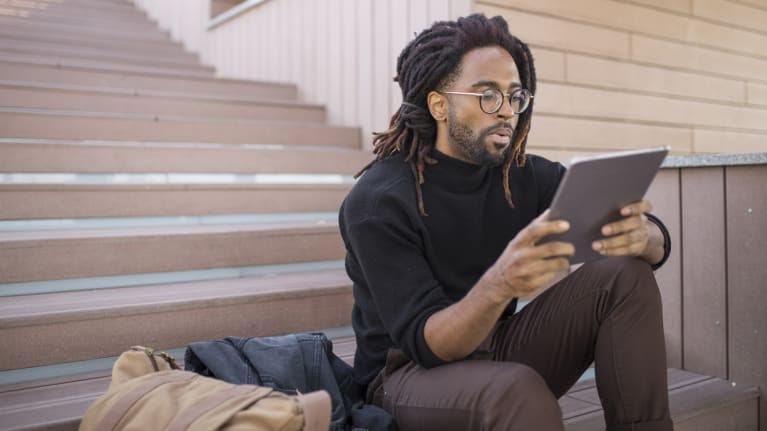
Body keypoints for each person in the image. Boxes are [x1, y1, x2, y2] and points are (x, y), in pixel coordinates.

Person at [338, 13, 673, 431]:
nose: (507, 112)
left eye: (515, 97)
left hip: (496, 346)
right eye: (488, 95)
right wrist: (501, 283)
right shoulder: (379, 201)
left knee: (624, 277)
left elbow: (658, 242)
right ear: (439, 104)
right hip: (406, 377)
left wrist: (644, 237)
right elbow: (428, 343)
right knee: (518, 391)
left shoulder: (523, 177)